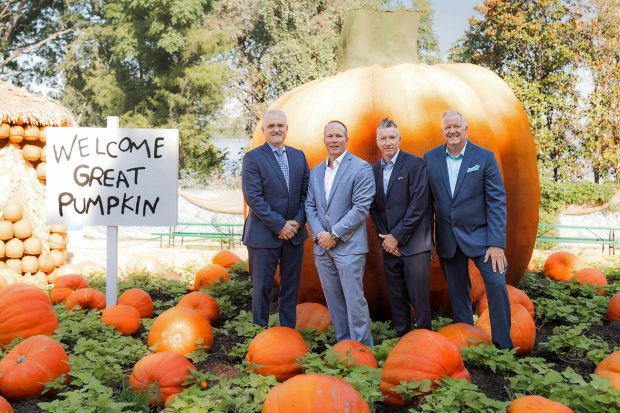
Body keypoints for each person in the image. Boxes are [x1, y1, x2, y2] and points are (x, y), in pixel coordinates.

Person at [424, 110, 512, 349]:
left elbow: (496, 201)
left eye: (456, 126)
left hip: (482, 237)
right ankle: (467, 341)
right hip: (447, 237)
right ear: (442, 132)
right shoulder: (430, 159)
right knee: (457, 290)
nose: (452, 131)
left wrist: (496, 243)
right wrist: (427, 240)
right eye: (447, 128)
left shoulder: (484, 158)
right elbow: (426, 202)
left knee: (495, 283)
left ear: (466, 128)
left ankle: (503, 344)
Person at [305, 120, 375, 346]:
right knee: (334, 301)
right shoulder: (316, 172)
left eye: (338, 136)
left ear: (347, 139)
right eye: (330, 136)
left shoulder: (361, 168)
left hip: (349, 247)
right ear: (324, 139)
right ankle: (344, 346)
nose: (334, 140)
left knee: (355, 301)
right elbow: (310, 206)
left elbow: (361, 208)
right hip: (322, 248)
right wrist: (320, 235)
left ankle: (363, 350)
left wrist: (333, 234)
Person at [241, 109, 310, 328]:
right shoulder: (253, 158)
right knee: (262, 288)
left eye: (280, 125)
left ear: (287, 128)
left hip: (294, 235)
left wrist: (297, 222)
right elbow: (253, 197)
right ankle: (260, 334)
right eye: (271, 126)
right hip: (263, 235)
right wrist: (280, 225)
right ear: (264, 131)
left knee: (290, 287)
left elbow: (306, 194)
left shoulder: (298, 156)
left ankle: (287, 332)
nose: (276, 129)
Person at [369, 118, 433, 336]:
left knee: (419, 298)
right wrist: (386, 239)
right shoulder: (374, 171)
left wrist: (396, 236)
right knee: (396, 296)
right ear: (378, 142)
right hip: (389, 245)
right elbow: (374, 208)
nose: (388, 142)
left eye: (392, 137)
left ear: (399, 139)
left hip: (414, 244)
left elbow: (418, 205)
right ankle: (402, 338)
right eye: (383, 138)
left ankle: (425, 340)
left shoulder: (415, 165)